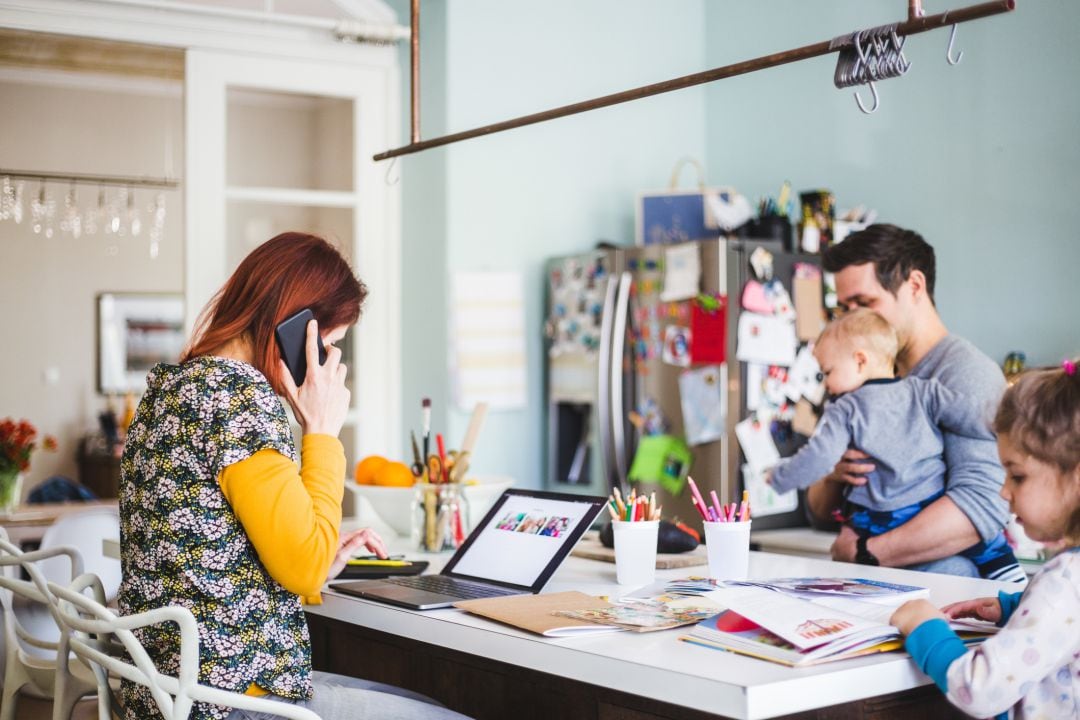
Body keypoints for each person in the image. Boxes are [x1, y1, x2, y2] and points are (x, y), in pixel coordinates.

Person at [118, 233, 470, 720]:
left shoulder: (173, 387)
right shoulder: (238, 400)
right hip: (229, 702)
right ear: (295, 329)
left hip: (163, 691)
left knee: (420, 706)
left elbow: (211, 551)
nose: (327, 362)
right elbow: (301, 569)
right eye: (328, 344)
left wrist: (318, 550)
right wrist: (323, 431)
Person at [807, 224, 1012, 577]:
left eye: (865, 303)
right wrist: (832, 474)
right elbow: (818, 510)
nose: (854, 319)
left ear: (914, 286)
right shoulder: (857, 374)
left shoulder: (965, 375)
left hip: (944, 596)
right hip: (876, 587)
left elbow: (980, 507)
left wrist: (865, 552)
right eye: (845, 308)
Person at [769, 309, 1024, 582]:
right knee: (990, 546)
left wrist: (779, 477)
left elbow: (818, 458)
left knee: (854, 552)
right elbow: (972, 414)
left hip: (880, 519)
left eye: (827, 373)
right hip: (928, 506)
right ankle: (1016, 588)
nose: (827, 385)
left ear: (860, 361)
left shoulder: (844, 409)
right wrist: (1016, 426)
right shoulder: (921, 390)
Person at [890, 360, 1080, 719]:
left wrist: (924, 628)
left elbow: (979, 688)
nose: (1004, 492)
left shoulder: (1066, 582)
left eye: (1018, 476)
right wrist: (1013, 608)